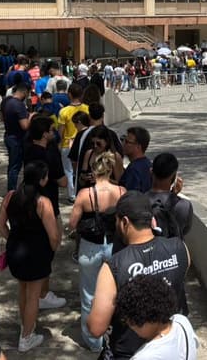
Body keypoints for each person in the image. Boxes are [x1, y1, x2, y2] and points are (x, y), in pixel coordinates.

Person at [87, 191, 190, 360]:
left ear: (124, 222)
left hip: (127, 352)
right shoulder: (180, 248)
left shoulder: (114, 267)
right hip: (169, 346)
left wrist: (93, 307)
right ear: (152, 220)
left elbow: (96, 328)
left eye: (117, 220)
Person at [0, 160, 62, 353]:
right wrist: (52, 250)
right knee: (33, 296)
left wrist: (12, 239)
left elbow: (0, 224)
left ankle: (26, 327)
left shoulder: (10, 196)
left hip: (16, 252)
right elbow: (54, 235)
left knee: (22, 290)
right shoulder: (43, 202)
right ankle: (26, 337)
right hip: (37, 253)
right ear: (41, 180)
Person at [68, 150, 126, 351]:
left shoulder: (85, 195)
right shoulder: (121, 192)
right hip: (114, 246)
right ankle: (115, 332)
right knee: (116, 291)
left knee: (88, 294)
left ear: (94, 170)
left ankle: (94, 342)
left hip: (90, 248)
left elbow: (73, 223)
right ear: (110, 170)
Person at [22, 114, 68, 310]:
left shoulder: (27, 149)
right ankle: (42, 293)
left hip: (29, 203)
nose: (54, 132)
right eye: (52, 129)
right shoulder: (49, 154)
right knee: (51, 245)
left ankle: (39, 291)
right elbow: (63, 181)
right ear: (44, 133)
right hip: (49, 203)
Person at [116, 274, 198, 360]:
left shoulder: (144, 357)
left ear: (149, 319)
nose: (131, 327)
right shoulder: (181, 321)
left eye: (132, 323)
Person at [148, 153, 193, 239]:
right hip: (174, 251)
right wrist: (173, 195)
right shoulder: (185, 206)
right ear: (174, 176)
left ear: (151, 171)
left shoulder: (139, 202)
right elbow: (184, 230)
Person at [56, 82, 89, 202]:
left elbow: (61, 130)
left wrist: (59, 143)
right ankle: (82, 191)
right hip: (84, 143)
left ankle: (72, 195)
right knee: (83, 168)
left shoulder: (64, 111)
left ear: (69, 94)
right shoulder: (87, 109)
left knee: (68, 170)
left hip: (67, 143)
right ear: (81, 94)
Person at [2, 81, 31, 191]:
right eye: (27, 94)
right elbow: (24, 125)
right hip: (18, 139)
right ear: (24, 92)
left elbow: (2, 118)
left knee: (12, 166)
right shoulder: (19, 105)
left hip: (8, 135)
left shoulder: (5, 102)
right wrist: (31, 117)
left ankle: (11, 189)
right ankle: (12, 191)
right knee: (16, 167)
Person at [120, 126, 152, 193]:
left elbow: (131, 198)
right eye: (123, 139)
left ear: (138, 147)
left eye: (127, 142)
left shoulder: (133, 170)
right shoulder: (148, 164)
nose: (123, 144)